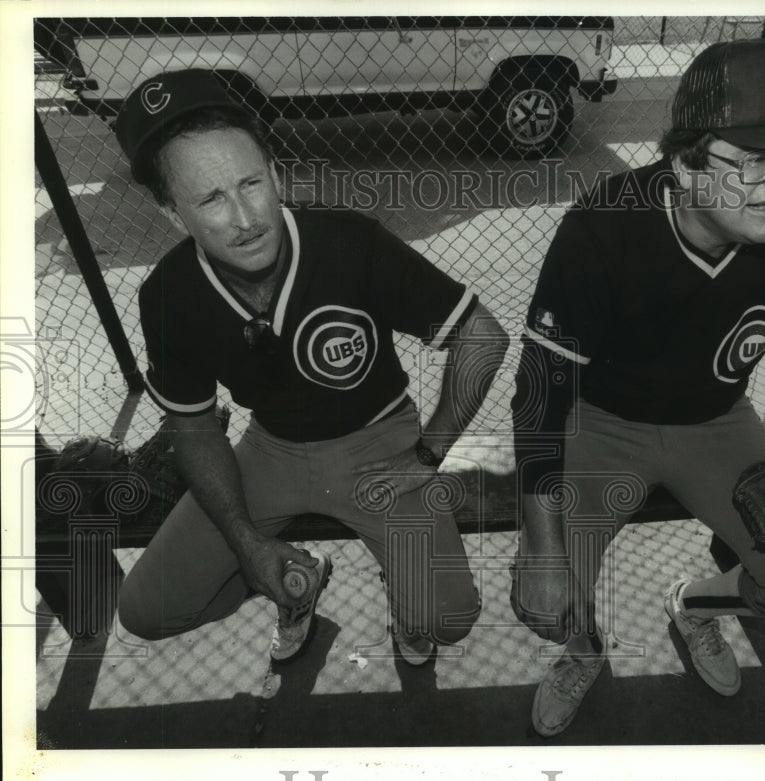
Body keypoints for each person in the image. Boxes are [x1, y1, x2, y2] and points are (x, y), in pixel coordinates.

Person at [510, 39, 765, 736]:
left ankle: (694, 607)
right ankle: (583, 649)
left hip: (716, 421)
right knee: (542, 598)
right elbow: (538, 395)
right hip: (601, 422)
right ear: (686, 163)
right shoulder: (604, 225)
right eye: (754, 157)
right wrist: (544, 550)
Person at [113, 69, 509, 666]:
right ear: (173, 213)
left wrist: (430, 451)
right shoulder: (168, 295)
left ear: (275, 175)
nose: (245, 217)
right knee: (146, 610)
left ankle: (406, 597)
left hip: (380, 439)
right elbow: (193, 426)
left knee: (448, 621)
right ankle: (296, 585)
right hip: (270, 447)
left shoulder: (348, 241)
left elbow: (482, 334)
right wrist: (247, 542)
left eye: (251, 183)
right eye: (211, 199)